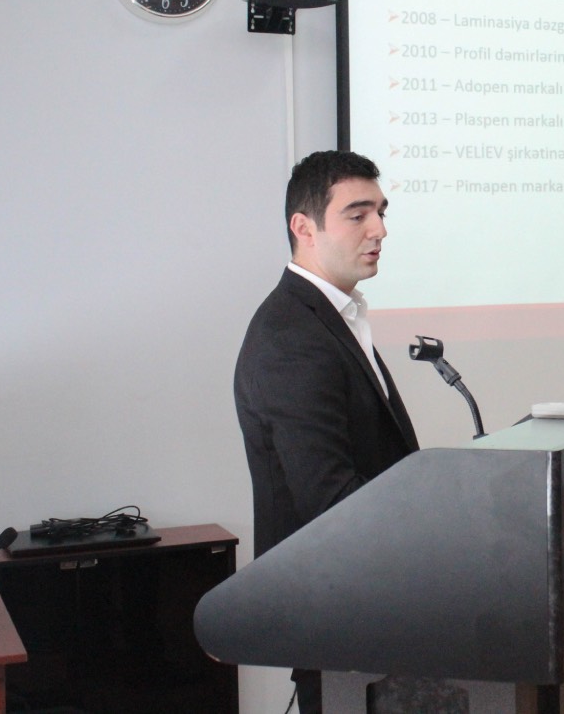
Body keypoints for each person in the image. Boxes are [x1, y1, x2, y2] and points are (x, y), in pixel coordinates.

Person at [235, 150, 420, 713]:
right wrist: (430, 533)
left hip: (368, 601)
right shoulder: (292, 335)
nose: (379, 229)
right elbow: (328, 498)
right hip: (337, 608)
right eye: (357, 214)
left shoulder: (335, 316)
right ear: (304, 227)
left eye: (381, 212)